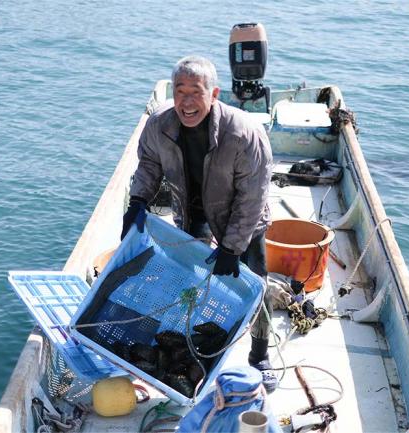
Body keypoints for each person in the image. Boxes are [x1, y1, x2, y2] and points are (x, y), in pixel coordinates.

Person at [120, 55, 277, 392]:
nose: (187, 101)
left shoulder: (244, 133)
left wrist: (232, 247)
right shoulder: (159, 125)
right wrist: (137, 202)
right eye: (180, 91)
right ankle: (192, 341)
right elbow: (149, 164)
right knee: (189, 280)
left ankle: (260, 353)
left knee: (257, 287)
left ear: (214, 94)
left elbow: (253, 197)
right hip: (191, 213)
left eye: (196, 92)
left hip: (244, 220)